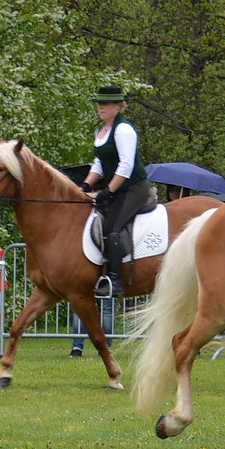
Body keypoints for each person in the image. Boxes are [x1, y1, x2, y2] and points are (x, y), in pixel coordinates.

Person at [81, 85, 157, 300]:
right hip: (116, 187)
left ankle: (115, 281)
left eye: (105, 104)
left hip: (133, 188)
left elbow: (126, 165)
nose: (100, 108)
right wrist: (85, 186)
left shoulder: (124, 130)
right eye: (98, 104)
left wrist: (107, 190)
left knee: (110, 228)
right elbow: (99, 162)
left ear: (118, 105)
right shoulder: (101, 130)